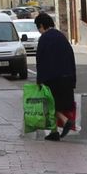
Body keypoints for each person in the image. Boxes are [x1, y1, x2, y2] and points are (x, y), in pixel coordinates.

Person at [34, 12, 77, 140]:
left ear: (41, 26)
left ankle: (65, 122)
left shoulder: (44, 39)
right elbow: (71, 57)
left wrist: (39, 81)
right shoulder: (61, 36)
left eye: (38, 28)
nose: (39, 31)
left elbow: (40, 61)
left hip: (52, 78)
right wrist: (73, 79)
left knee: (50, 104)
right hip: (67, 77)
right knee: (58, 105)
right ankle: (54, 132)